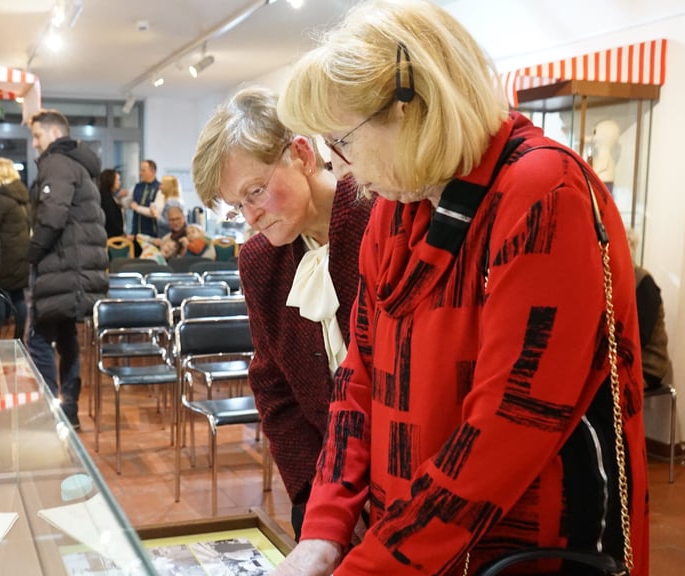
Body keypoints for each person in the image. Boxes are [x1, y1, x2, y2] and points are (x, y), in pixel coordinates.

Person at [273, 0, 650, 574]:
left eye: (341, 141)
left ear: (410, 109)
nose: (340, 167)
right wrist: (324, 529)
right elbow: (359, 378)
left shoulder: (544, 193)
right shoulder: (394, 210)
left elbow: (510, 425)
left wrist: (370, 563)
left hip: (525, 552)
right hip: (416, 541)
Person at [192, 85, 374, 540]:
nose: (251, 216)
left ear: (301, 154)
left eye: (255, 191)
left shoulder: (379, 215)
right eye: (237, 206)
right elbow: (273, 384)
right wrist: (315, 494)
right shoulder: (260, 260)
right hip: (322, 486)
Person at [26, 109, 108, 430]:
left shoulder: (57, 162)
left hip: (63, 268)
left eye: (37, 135)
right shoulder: (78, 165)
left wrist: (30, 253)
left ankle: (51, 411)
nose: (34, 143)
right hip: (75, 272)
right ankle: (68, 410)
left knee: (38, 338)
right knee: (65, 336)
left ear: (54, 134)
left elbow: (52, 216)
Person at [0, 157, 30, 340]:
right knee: (19, 297)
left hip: (5, 255)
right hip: (22, 254)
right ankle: (19, 338)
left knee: (0, 297)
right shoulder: (21, 195)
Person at [627, 230, 670, 389]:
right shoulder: (624, 280)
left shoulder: (643, 282)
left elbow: (640, 335)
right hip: (630, 363)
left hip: (648, 367)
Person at [128, 159, 160, 236]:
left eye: (143, 171)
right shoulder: (137, 187)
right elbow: (128, 202)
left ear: (152, 172)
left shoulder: (159, 188)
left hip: (152, 235)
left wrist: (137, 208)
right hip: (136, 233)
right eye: (140, 170)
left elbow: (156, 212)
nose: (140, 173)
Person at [98, 168, 127, 238]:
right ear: (110, 180)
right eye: (118, 180)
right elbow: (112, 221)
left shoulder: (107, 196)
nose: (120, 182)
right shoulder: (106, 199)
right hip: (111, 239)